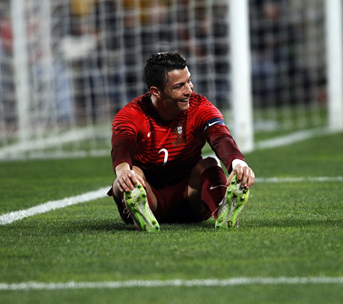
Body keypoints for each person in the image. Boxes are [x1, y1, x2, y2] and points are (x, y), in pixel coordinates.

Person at [107, 52, 255, 231]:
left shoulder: (200, 107)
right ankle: (139, 207)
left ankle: (223, 209)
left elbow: (220, 136)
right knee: (128, 175)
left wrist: (237, 163)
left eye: (189, 81)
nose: (189, 90)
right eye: (179, 86)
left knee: (210, 163)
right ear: (156, 91)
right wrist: (122, 170)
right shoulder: (132, 114)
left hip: (190, 198)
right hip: (150, 195)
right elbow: (123, 143)